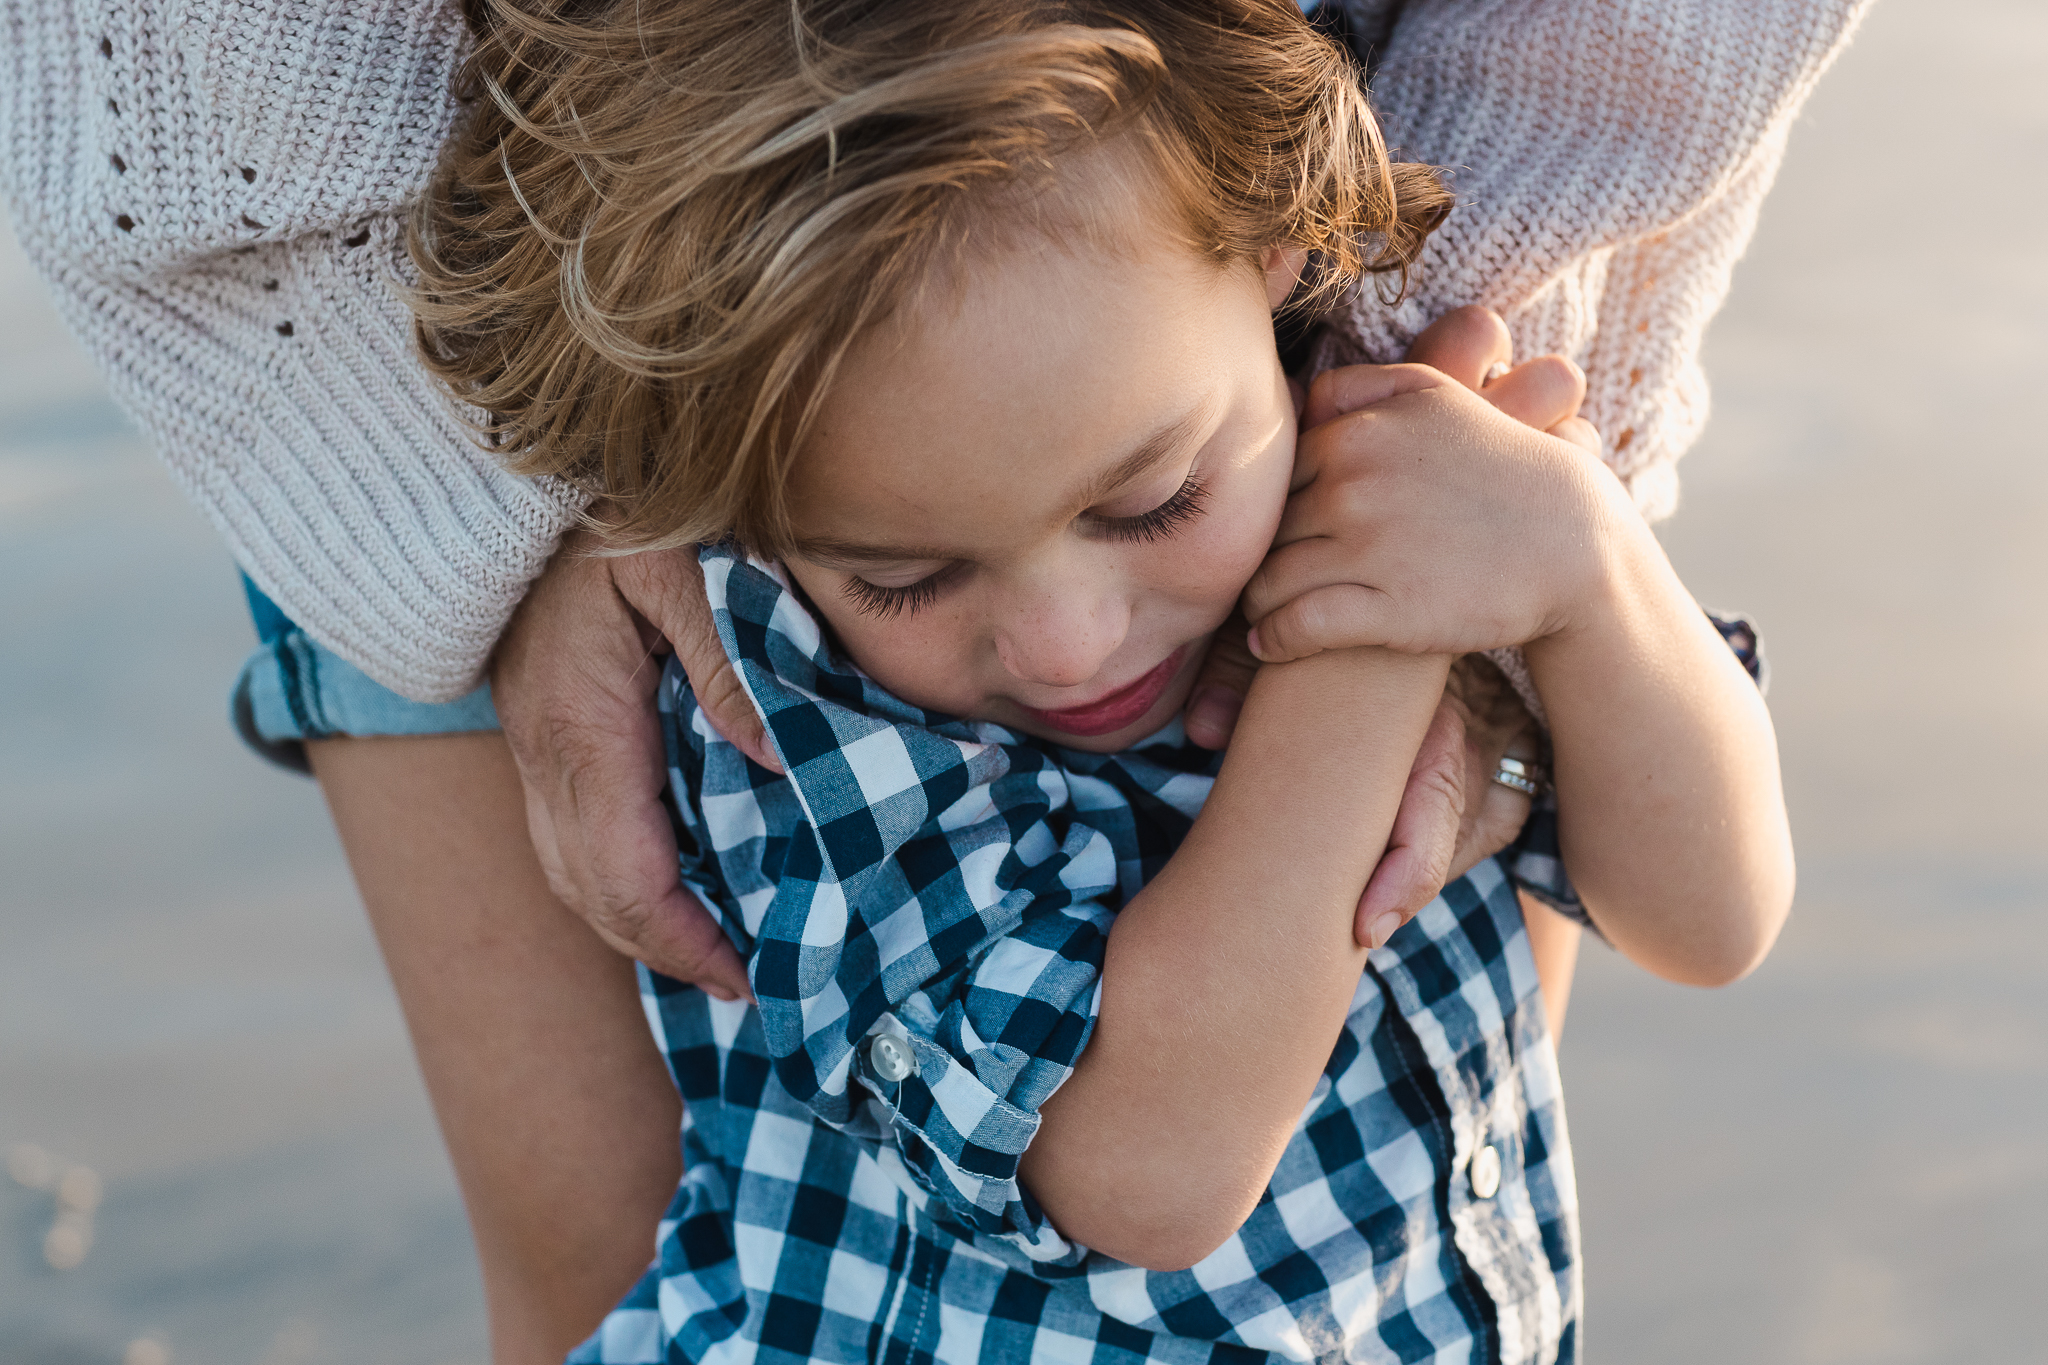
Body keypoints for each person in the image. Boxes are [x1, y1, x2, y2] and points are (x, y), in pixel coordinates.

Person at [0, 0, 1865, 1356]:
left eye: (1147, 499)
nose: (1060, 643)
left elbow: (1704, 916)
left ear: (1295, 254)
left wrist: (1592, 579)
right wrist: (1377, 633)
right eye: (908, 569)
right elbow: (1150, 1168)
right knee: (574, 1267)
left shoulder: (1440, 498)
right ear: (724, 511)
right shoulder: (794, 702)